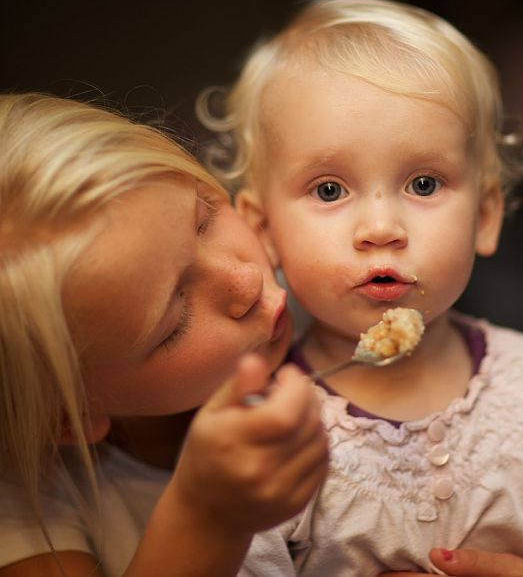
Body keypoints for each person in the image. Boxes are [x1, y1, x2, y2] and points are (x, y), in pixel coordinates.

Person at [198, 0, 523, 575]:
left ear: (485, 215)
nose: (382, 228)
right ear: (265, 232)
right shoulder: (266, 439)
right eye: (330, 190)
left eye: (424, 183)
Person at [0, 92, 330, 577]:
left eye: (205, 219)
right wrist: (207, 519)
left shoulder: (323, 289)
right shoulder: (32, 509)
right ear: (68, 416)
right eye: (174, 322)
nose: (245, 281)